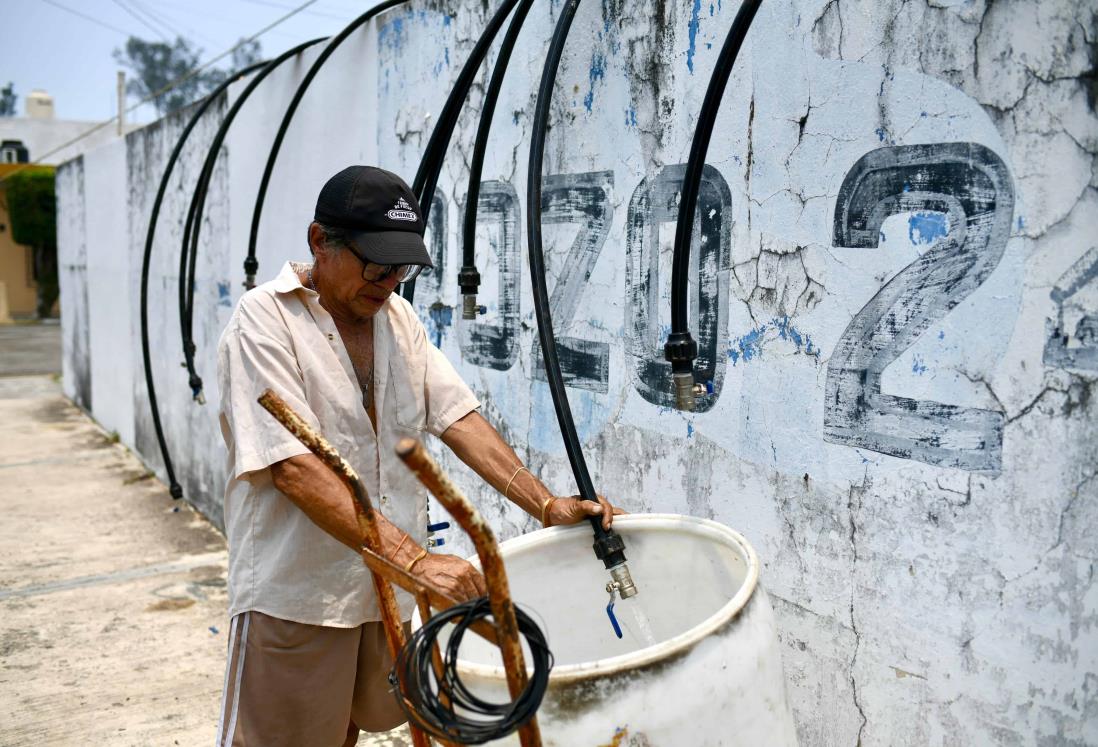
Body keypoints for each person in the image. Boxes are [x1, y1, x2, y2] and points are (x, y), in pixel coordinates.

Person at [214, 165, 621, 747]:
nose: (389, 281)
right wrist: (415, 559)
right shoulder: (264, 320)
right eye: (376, 265)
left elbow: (457, 417)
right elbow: (294, 468)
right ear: (318, 242)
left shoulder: (397, 317)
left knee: (352, 729)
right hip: (298, 594)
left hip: (382, 594)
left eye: (400, 268)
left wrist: (547, 503)